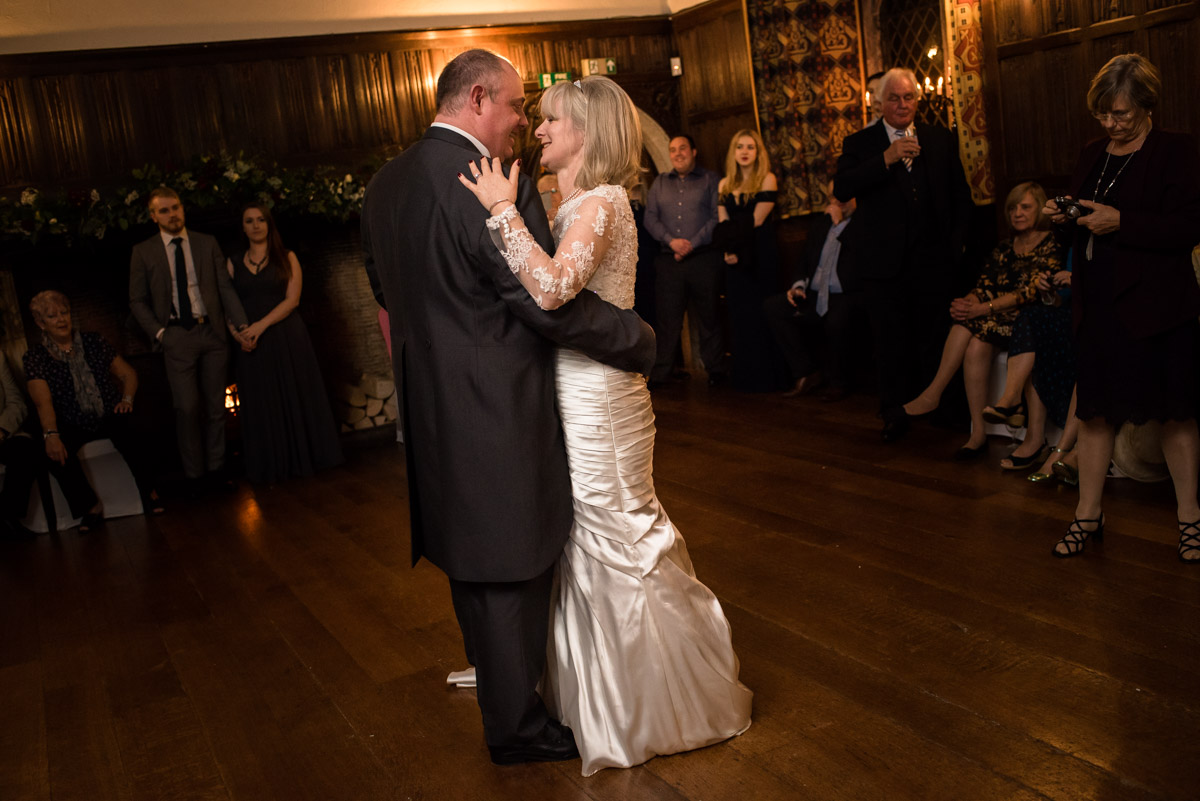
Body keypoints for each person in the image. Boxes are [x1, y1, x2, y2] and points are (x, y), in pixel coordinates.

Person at [360, 50, 656, 767]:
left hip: (431, 406)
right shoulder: (487, 181)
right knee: (509, 561)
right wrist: (634, 336)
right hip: (498, 405)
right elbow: (540, 301)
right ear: (478, 98)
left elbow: (384, 289)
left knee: (470, 557)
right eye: (519, 106)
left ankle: (504, 694)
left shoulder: (385, 184)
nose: (525, 122)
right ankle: (517, 727)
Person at [460, 74, 752, 777]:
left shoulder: (603, 202)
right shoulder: (570, 200)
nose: (538, 129)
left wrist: (502, 212)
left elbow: (553, 290)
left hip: (602, 396)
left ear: (587, 133)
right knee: (581, 534)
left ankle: (663, 702)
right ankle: (600, 693)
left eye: (553, 120)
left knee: (616, 525)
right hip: (571, 385)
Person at [1040, 54, 1200, 561]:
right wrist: (1063, 216)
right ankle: (1087, 514)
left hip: (1159, 309)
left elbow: (1188, 228)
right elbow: (1085, 219)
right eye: (1103, 113)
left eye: (1121, 114)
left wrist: (1122, 223)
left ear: (1147, 105)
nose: (1110, 123)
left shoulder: (1176, 150)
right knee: (1094, 414)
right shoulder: (1093, 153)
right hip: (1099, 306)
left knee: (1174, 415)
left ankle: (1190, 518)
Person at [834, 67, 973, 441]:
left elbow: (960, 196)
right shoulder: (860, 142)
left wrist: (956, 246)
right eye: (894, 98)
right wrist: (886, 158)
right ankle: (895, 413)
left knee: (935, 337)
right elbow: (842, 187)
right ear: (880, 102)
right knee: (891, 342)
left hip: (933, 260)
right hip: (883, 264)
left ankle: (942, 409)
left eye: (908, 97)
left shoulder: (938, 137)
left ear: (917, 100)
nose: (902, 104)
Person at [890, 181, 1064, 457]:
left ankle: (933, 393)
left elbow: (1029, 293)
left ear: (1040, 209)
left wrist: (982, 309)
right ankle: (978, 433)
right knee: (974, 345)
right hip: (993, 321)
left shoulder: (1051, 244)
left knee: (968, 326)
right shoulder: (1004, 248)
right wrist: (967, 303)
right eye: (1013, 208)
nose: (1017, 213)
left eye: (1025, 207)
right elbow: (984, 285)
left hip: (1027, 324)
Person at [128, 187, 251, 491]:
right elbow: (136, 300)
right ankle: (195, 477)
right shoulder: (143, 252)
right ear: (153, 216)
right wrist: (161, 333)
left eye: (176, 207)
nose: (173, 214)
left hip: (212, 332)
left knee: (216, 407)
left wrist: (242, 324)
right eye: (165, 210)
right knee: (186, 408)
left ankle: (217, 471)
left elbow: (224, 288)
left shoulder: (206, 243)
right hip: (175, 336)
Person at [23, 291, 163, 531]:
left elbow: (128, 374)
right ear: (40, 323)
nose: (61, 319)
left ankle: (149, 491)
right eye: (52, 316)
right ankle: (90, 507)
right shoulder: (35, 357)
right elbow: (42, 402)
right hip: (70, 420)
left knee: (133, 429)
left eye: (64, 313)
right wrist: (51, 435)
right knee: (53, 452)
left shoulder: (93, 341)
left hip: (108, 412)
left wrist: (127, 400)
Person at [226, 203, 343, 483]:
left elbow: (293, 300)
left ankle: (303, 459)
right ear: (242, 227)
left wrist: (260, 326)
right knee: (261, 401)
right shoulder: (232, 262)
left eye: (261, 220)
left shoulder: (287, 257)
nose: (256, 225)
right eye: (249, 220)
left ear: (269, 224)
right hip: (250, 342)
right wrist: (238, 335)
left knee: (294, 395)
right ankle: (270, 465)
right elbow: (226, 303)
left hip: (285, 336)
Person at [762, 183, 862, 400]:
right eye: (833, 197)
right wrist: (798, 286)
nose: (838, 202)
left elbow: (859, 260)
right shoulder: (821, 224)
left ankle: (838, 382)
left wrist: (839, 225)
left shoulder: (862, 225)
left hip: (845, 294)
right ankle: (806, 372)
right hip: (814, 293)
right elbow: (804, 260)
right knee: (774, 307)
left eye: (843, 196)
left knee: (837, 319)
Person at [643, 134, 726, 385]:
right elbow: (650, 218)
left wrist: (691, 244)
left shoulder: (711, 180)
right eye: (673, 150)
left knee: (710, 317)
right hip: (669, 261)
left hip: (704, 259)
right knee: (667, 321)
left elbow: (716, 217)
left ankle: (716, 371)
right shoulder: (660, 182)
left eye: (682, 149)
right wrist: (672, 242)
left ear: (694, 151)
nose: (677, 154)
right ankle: (662, 373)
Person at [982, 261, 1078, 476]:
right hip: (1068, 316)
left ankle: (1014, 406)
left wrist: (1078, 282)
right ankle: (1014, 403)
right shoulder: (1075, 246)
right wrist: (1049, 291)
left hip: (1094, 321)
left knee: (1035, 327)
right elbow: (1060, 301)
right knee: (1031, 319)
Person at [717, 128, 786, 391]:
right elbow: (724, 225)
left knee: (762, 314)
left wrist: (736, 248)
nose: (744, 152)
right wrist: (728, 251)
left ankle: (770, 378)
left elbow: (755, 221)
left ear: (758, 153)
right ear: (733, 152)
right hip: (734, 258)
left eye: (750, 147)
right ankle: (747, 378)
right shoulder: (724, 184)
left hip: (759, 255)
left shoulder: (767, 179)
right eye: (740, 147)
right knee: (740, 315)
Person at [0, 355, 38, 539]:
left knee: (24, 449)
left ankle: (7, 515)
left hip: (2, 432)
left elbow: (16, 402)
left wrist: (2, 430)